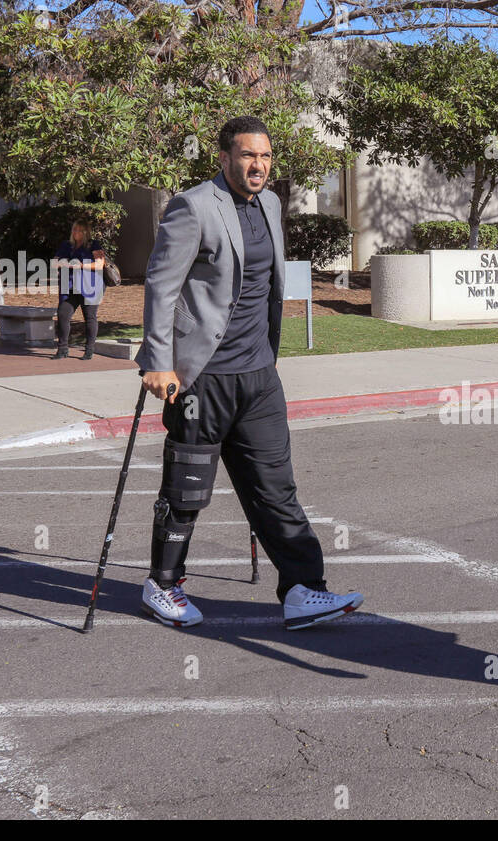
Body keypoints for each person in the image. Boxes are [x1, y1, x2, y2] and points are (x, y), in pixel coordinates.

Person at [135, 115, 364, 631]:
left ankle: (304, 589)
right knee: (188, 490)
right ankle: (162, 585)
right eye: (246, 155)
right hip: (204, 378)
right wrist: (157, 362)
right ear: (224, 157)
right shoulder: (192, 207)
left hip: (259, 375)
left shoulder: (272, 203)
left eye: (264, 156)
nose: (257, 165)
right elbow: (160, 287)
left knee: (275, 488)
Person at [51, 220, 105, 360]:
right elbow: (54, 262)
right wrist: (61, 263)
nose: (76, 233)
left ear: (86, 232)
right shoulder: (66, 245)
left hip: (89, 285)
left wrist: (81, 265)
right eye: (74, 229)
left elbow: (99, 265)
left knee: (90, 317)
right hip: (69, 286)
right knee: (63, 315)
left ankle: (89, 350)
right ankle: (62, 349)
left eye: (80, 230)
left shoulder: (93, 244)